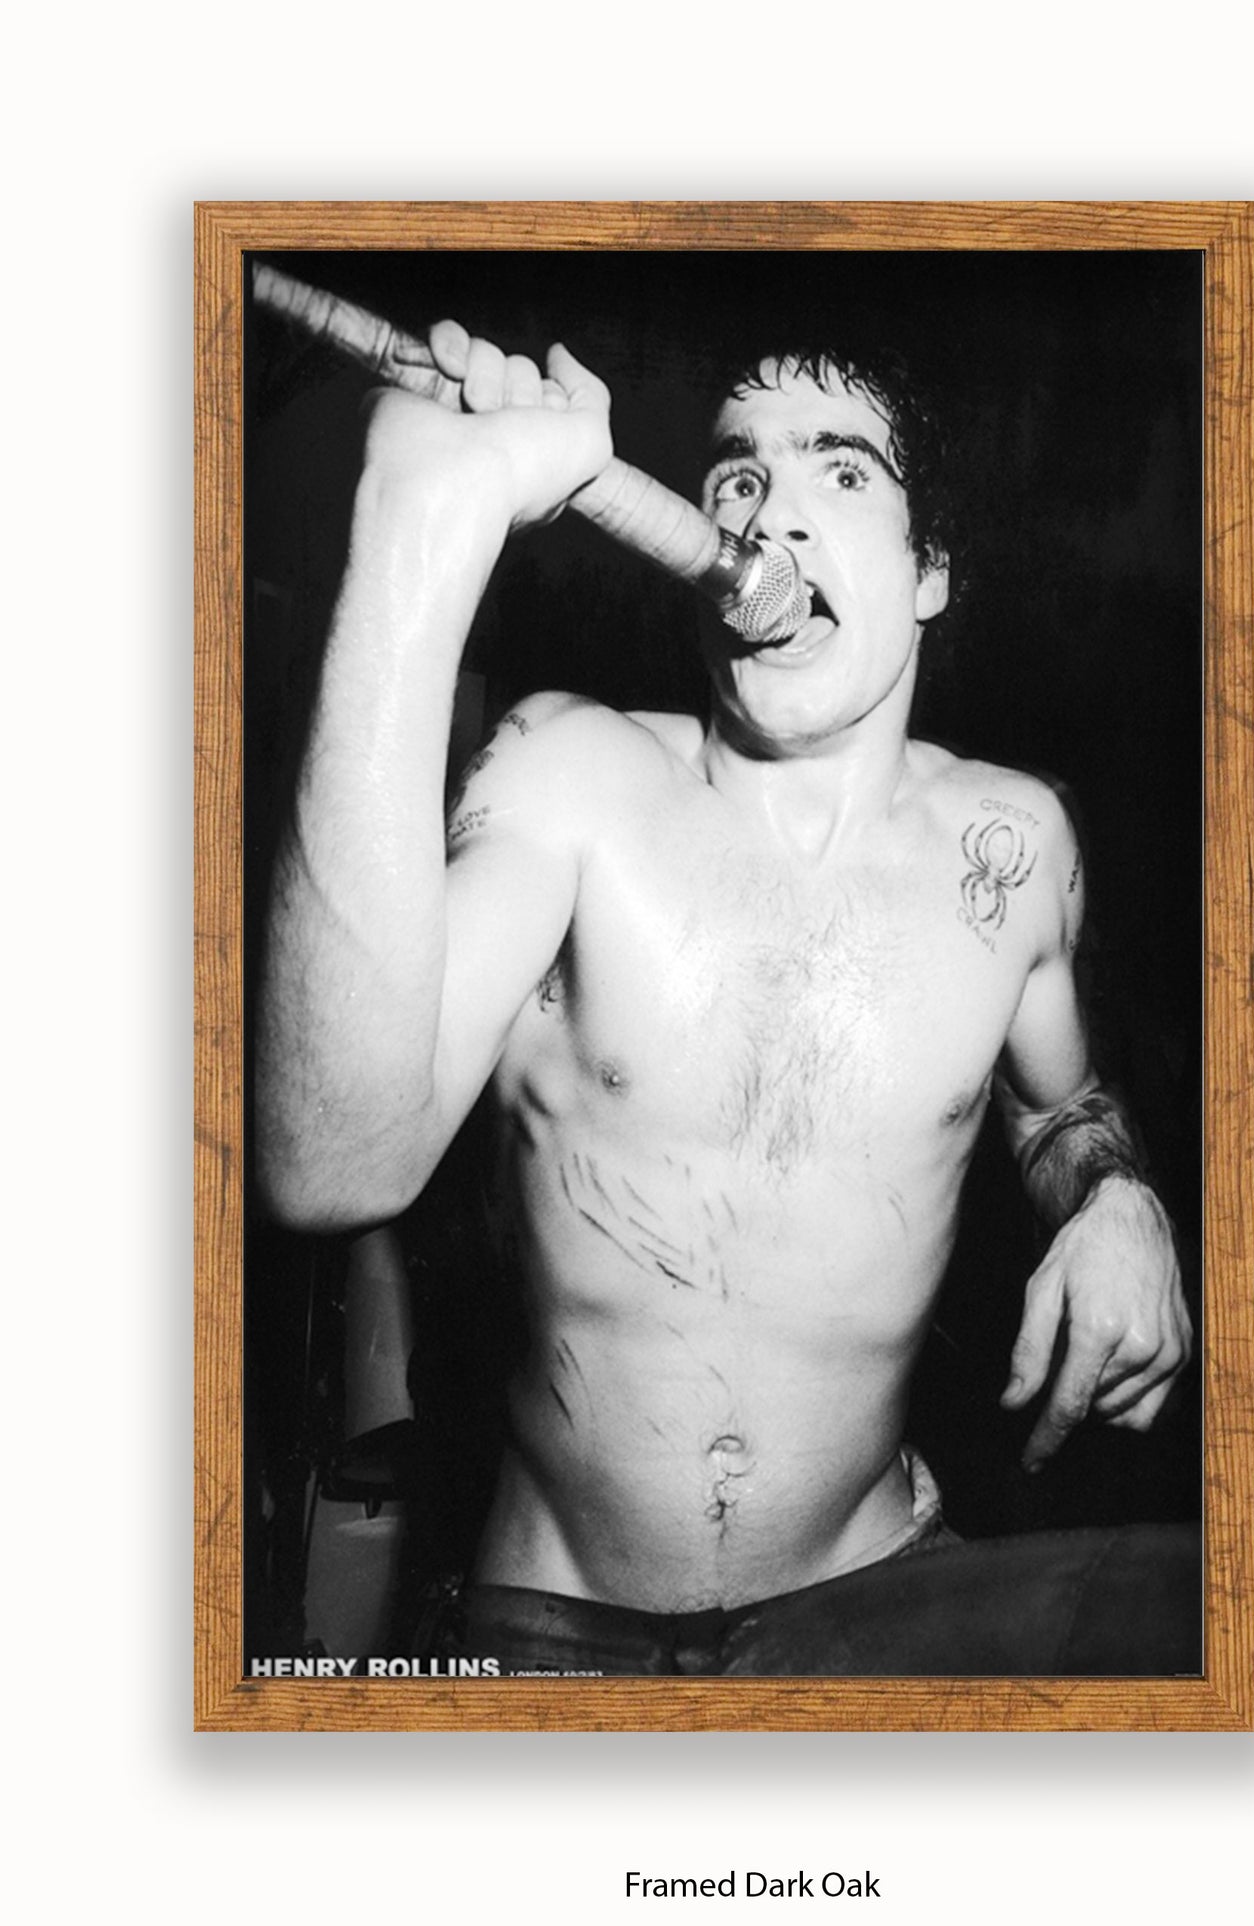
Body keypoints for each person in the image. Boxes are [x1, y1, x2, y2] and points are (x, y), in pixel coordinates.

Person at [256, 317, 1196, 1676]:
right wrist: (420, 526)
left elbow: (1062, 1109)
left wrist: (1114, 1198)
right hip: (555, 1629)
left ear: (929, 572)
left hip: (879, 1594)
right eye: (739, 474)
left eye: (842, 473)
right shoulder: (570, 778)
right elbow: (326, 1162)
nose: (770, 514)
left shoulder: (1013, 847)